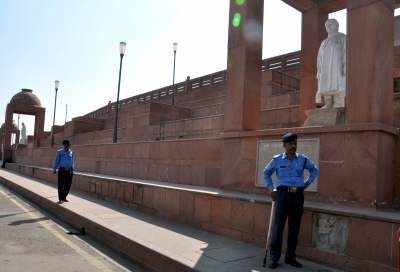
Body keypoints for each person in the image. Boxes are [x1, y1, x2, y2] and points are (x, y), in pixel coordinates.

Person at [263, 133, 318, 269]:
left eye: (295, 143)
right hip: (282, 195)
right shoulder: (277, 160)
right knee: (278, 228)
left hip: (298, 196)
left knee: (294, 228)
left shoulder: (303, 159)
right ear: (284, 145)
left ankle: (290, 257)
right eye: (290, 144)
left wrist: (307, 183)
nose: (293, 146)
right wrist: (272, 188)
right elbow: (266, 172)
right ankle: (274, 257)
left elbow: (314, 170)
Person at [316, 18, 346, 108]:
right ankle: (328, 102)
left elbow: (346, 52)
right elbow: (319, 58)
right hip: (325, 67)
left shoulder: (343, 38)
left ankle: (339, 102)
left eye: (330, 25)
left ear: (336, 26)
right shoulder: (324, 42)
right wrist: (319, 70)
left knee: (338, 83)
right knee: (325, 83)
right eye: (326, 25)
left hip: (337, 67)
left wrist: (346, 65)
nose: (327, 27)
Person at [53, 139, 74, 204]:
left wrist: (72, 169)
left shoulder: (71, 152)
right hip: (62, 170)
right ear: (65, 145)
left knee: (68, 184)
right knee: (61, 184)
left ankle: (64, 197)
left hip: (69, 170)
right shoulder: (60, 152)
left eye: (70, 144)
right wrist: (54, 169)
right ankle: (61, 198)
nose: (69, 145)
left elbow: (72, 161)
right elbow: (56, 161)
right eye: (68, 144)